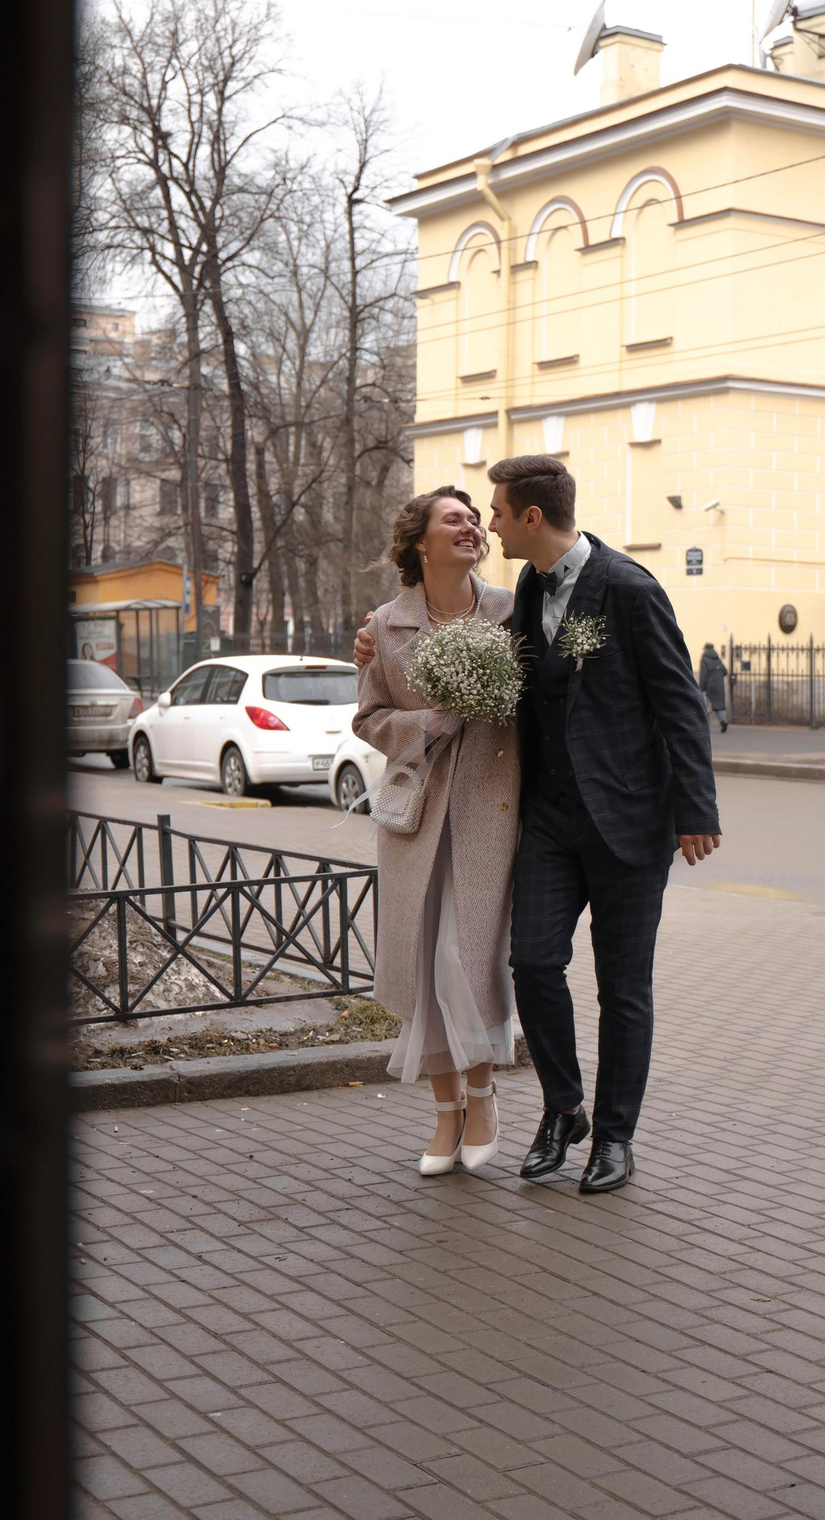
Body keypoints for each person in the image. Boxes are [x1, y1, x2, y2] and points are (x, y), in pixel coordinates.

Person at [354, 453, 720, 1193]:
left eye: (492, 510)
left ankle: (613, 1137)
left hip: (627, 824)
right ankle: (563, 1108)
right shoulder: (524, 588)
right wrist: (369, 643)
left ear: (529, 516)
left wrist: (695, 811)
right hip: (550, 821)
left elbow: (680, 703)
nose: (486, 522)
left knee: (623, 988)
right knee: (532, 961)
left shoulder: (628, 586)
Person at [352, 487, 521, 1177]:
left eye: (476, 518)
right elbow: (366, 718)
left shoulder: (512, 609)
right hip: (416, 823)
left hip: (490, 811)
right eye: (454, 518)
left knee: (467, 955)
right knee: (424, 964)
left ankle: (482, 1096)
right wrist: (422, 724)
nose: (472, 526)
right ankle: (445, 1113)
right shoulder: (385, 625)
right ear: (420, 540)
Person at [697, 641, 730, 733]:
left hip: (709, 686)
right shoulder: (717, 659)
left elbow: (703, 675)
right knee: (718, 704)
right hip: (719, 685)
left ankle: (705, 725)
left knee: (706, 705)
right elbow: (725, 671)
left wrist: (701, 687)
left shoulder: (704, 659)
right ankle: (723, 721)